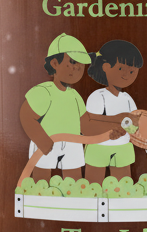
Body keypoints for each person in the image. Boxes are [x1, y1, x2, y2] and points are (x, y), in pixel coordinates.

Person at [19, 33, 130, 183]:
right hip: (47, 142)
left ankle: (74, 202)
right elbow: (26, 115)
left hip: (72, 144)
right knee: (42, 180)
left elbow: (87, 125)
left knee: (74, 181)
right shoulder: (44, 91)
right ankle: (41, 201)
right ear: (54, 63)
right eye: (72, 62)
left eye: (81, 64)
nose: (77, 68)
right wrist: (41, 140)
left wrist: (110, 130)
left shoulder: (75, 96)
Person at [83, 39, 147, 185]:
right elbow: (89, 125)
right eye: (121, 69)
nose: (127, 74)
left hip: (123, 148)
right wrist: (115, 124)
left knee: (123, 189)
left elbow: (135, 128)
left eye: (132, 71)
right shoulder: (98, 97)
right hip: (98, 147)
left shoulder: (127, 99)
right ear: (105, 67)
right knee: (93, 187)